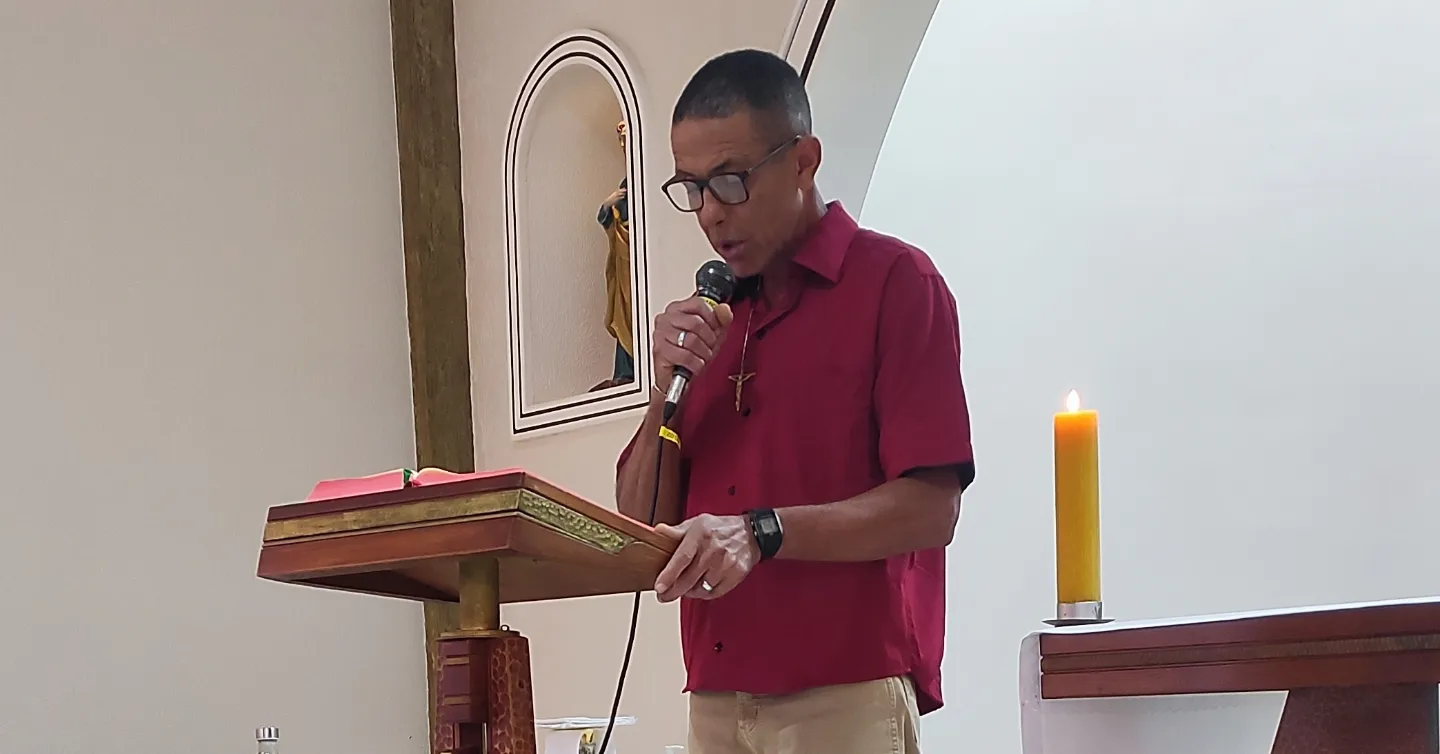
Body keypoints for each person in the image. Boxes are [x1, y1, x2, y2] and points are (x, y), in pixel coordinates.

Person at [614, 48, 974, 754]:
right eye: (693, 188)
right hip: (715, 699)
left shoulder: (896, 283)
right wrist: (663, 392)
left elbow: (932, 509)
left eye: (731, 181)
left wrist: (761, 531)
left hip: (844, 693)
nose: (711, 213)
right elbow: (639, 520)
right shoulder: (711, 320)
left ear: (804, 161)